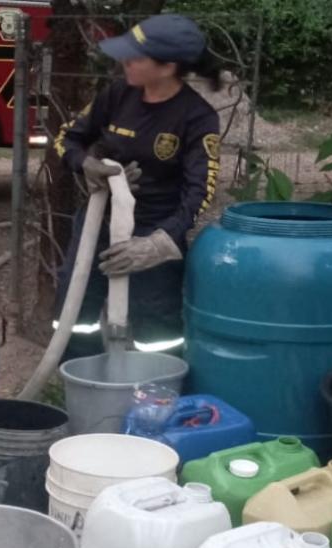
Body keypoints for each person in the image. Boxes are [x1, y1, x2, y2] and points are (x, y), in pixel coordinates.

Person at [53, 13, 222, 358]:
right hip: (99, 222)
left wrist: (158, 244)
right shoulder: (117, 94)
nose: (124, 61)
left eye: (136, 56)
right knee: (75, 308)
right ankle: (79, 384)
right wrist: (86, 164)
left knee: (156, 329)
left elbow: (200, 191)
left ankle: (159, 397)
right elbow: (67, 138)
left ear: (168, 66)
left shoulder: (197, 116)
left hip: (155, 228)